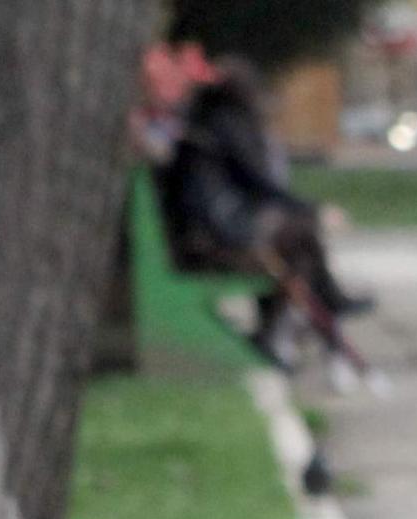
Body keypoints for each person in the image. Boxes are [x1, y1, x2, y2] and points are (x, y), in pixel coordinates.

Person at [153, 59, 369, 375]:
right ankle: (294, 322)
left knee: (295, 244)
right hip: (209, 239)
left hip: (203, 230)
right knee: (296, 240)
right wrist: (311, 209)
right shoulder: (226, 126)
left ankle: (286, 326)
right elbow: (256, 182)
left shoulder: (208, 121)